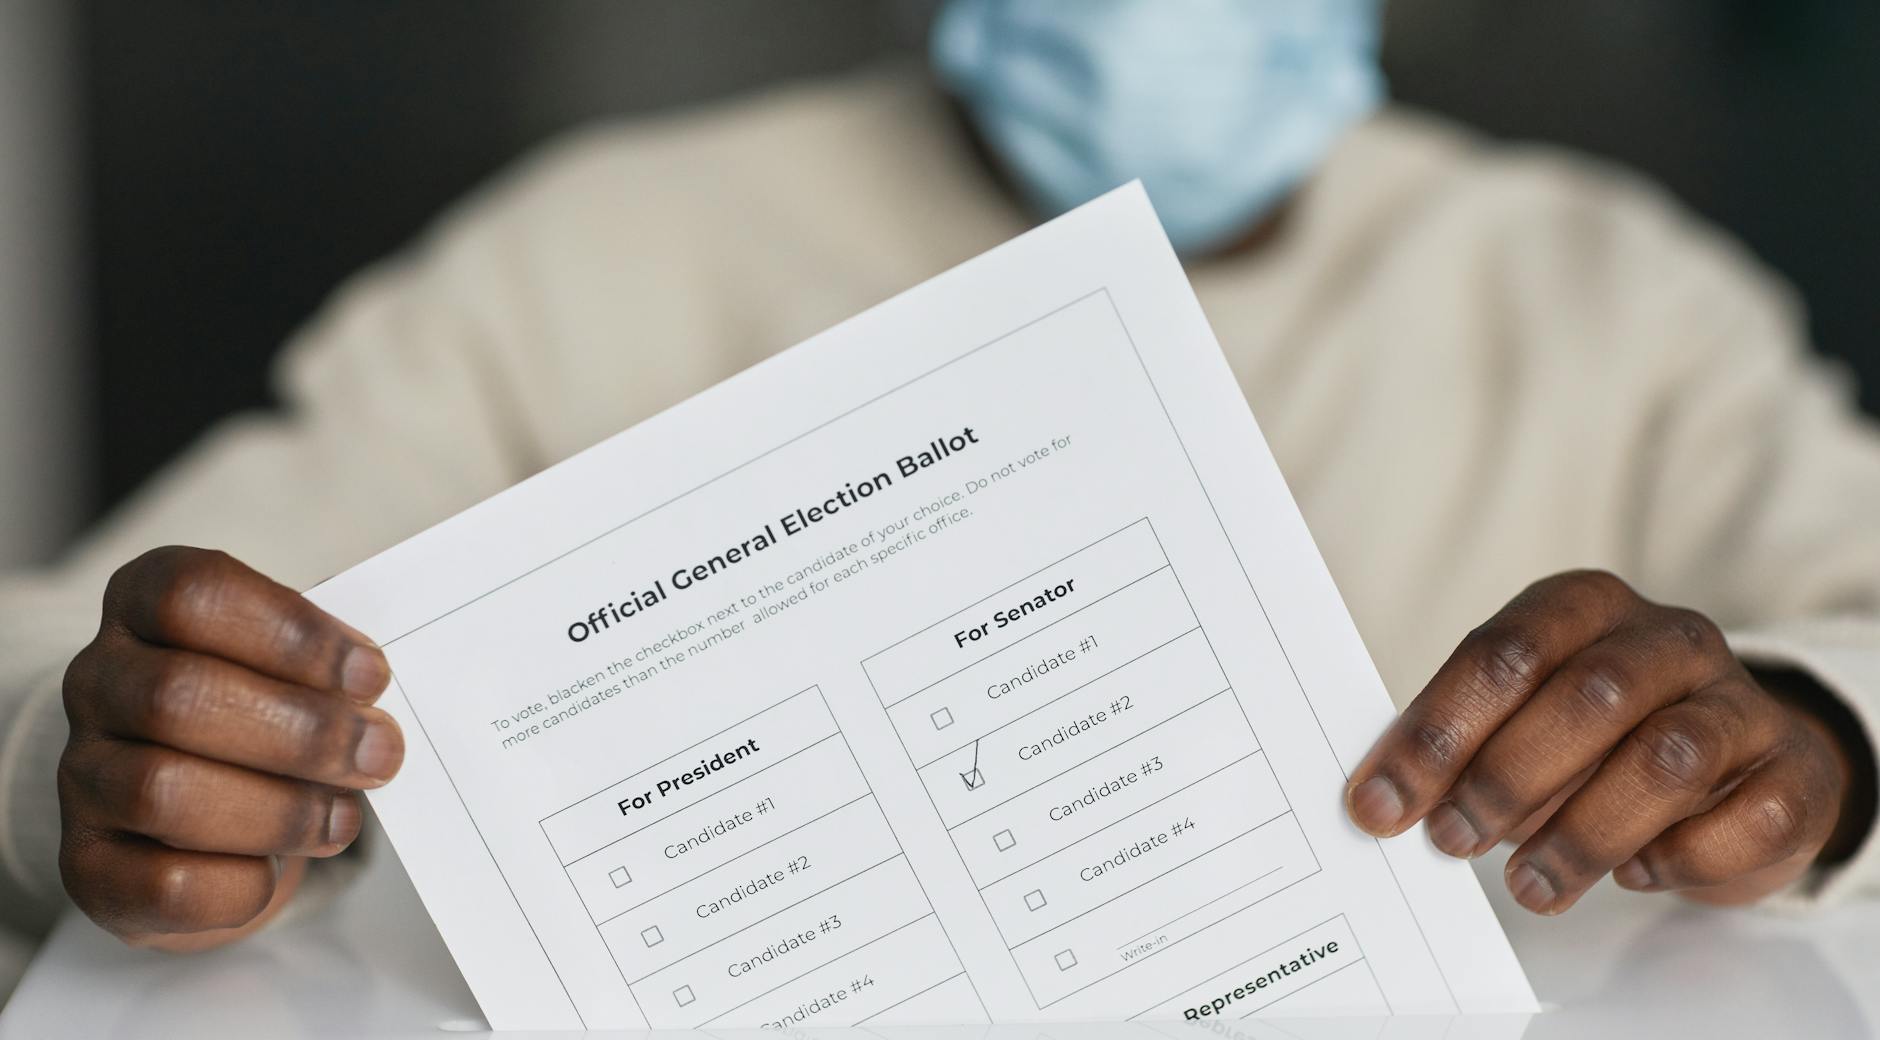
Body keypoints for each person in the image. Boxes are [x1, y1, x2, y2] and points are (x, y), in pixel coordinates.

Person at [1, 0, 1876, 980]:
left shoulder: (1612, 291)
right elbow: (76, 665)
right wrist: (95, 765)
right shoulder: (592, 257)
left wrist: (1803, 741)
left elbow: (1854, 627)